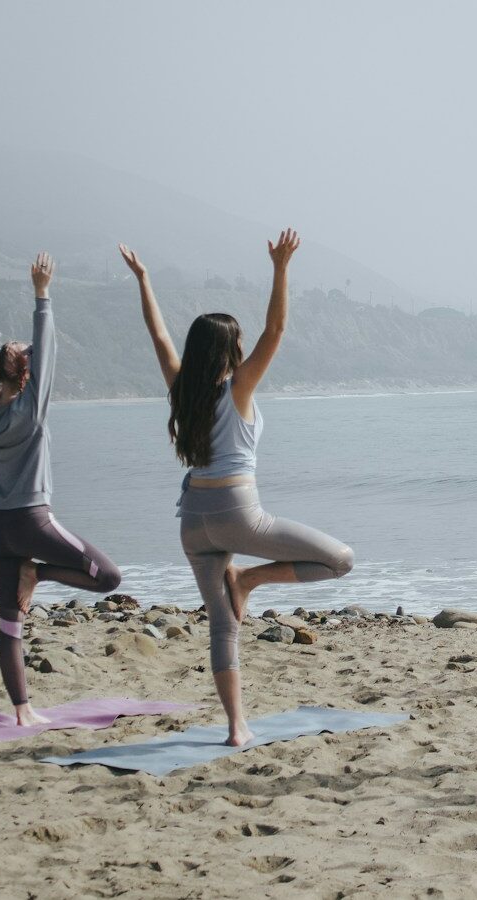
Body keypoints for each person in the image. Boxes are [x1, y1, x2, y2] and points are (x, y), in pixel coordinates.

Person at [119, 231, 353, 747]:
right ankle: (248, 579)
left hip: (191, 523)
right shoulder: (238, 388)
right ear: (231, 349)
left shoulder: (182, 390)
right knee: (340, 560)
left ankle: (236, 727)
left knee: (222, 628)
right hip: (236, 513)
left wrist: (144, 280)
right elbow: (277, 328)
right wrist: (281, 267)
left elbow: (159, 338)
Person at [0, 254, 122, 726]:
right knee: (108, 578)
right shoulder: (32, 409)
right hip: (33, 523)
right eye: (26, 357)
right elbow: (47, 346)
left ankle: (22, 711)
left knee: (9, 624)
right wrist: (42, 294)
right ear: (26, 375)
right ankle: (39, 575)